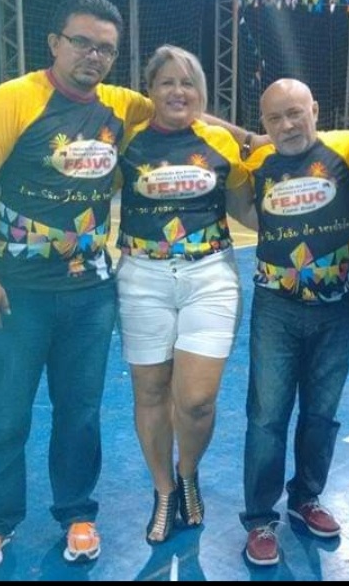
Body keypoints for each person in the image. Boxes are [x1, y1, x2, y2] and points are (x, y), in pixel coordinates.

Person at [0, 0, 155, 570]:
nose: (94, 55)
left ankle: (77, 512)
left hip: (90, 296)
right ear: (54, 43)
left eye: (106, 48)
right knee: (7, 411)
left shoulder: (121, 105)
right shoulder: (14, 99)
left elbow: (182, 107)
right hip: (16, 293)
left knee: (80, 412)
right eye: (82, 42)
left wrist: (252, 139)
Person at [115, 45, 254, 545]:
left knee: (196, 400)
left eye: (188, 83)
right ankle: (164, 490)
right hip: (141, 279)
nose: (178, 91)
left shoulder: (219, 141)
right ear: (149, 90)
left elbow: (247, 210)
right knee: (150, 392)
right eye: (167, 82)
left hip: (210, 277)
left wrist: (310, 218)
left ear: (202, 92)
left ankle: (188, 471)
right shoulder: (127, 139)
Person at [238, 79, 349, 566]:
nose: (287, 125)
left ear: (315, 109)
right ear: (264, 125)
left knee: (321, 412)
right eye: (275, 118)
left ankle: (306, 498)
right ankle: (259, 517)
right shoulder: (256, 165)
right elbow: (212, 132)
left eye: (295, 113)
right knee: (266, 415)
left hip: (339, 308)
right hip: (276, 308)